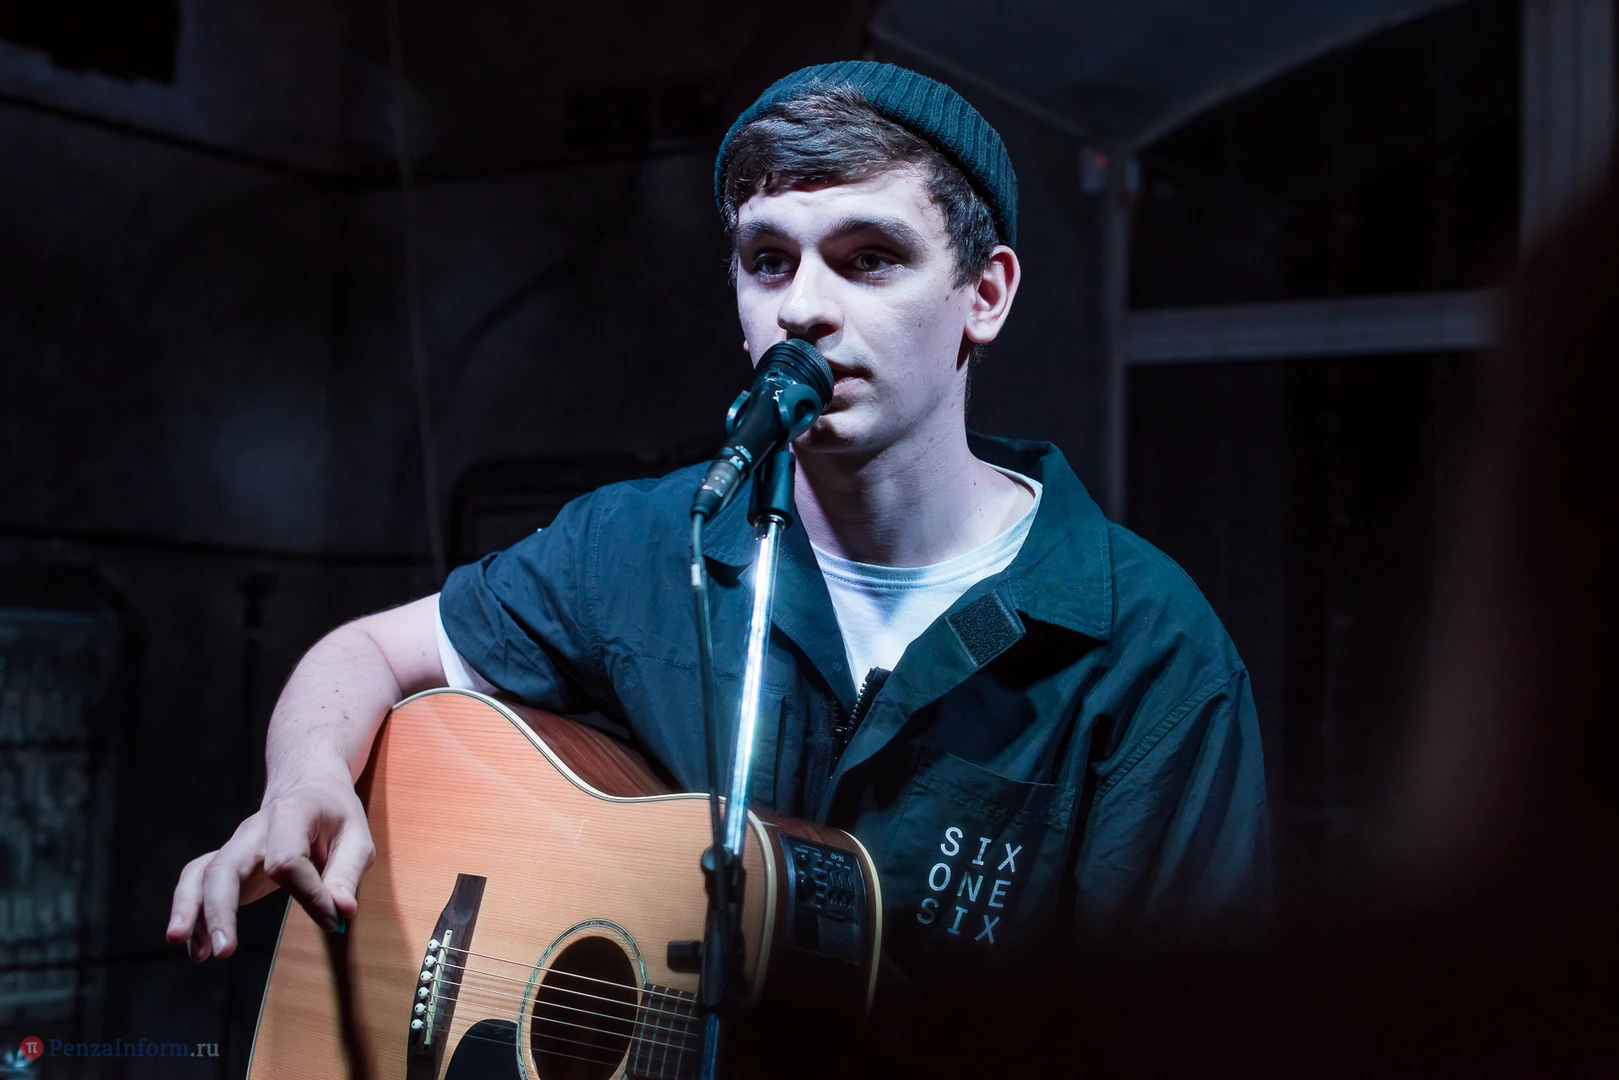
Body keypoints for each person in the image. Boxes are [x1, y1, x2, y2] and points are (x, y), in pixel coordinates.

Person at [167, 60, 1270, 1046]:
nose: (805, 308)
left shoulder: (1145, 647)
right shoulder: (648, 542)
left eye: (870, 259)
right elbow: (366, 653)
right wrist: (303, 778)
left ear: (983, 296)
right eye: (768, 261)